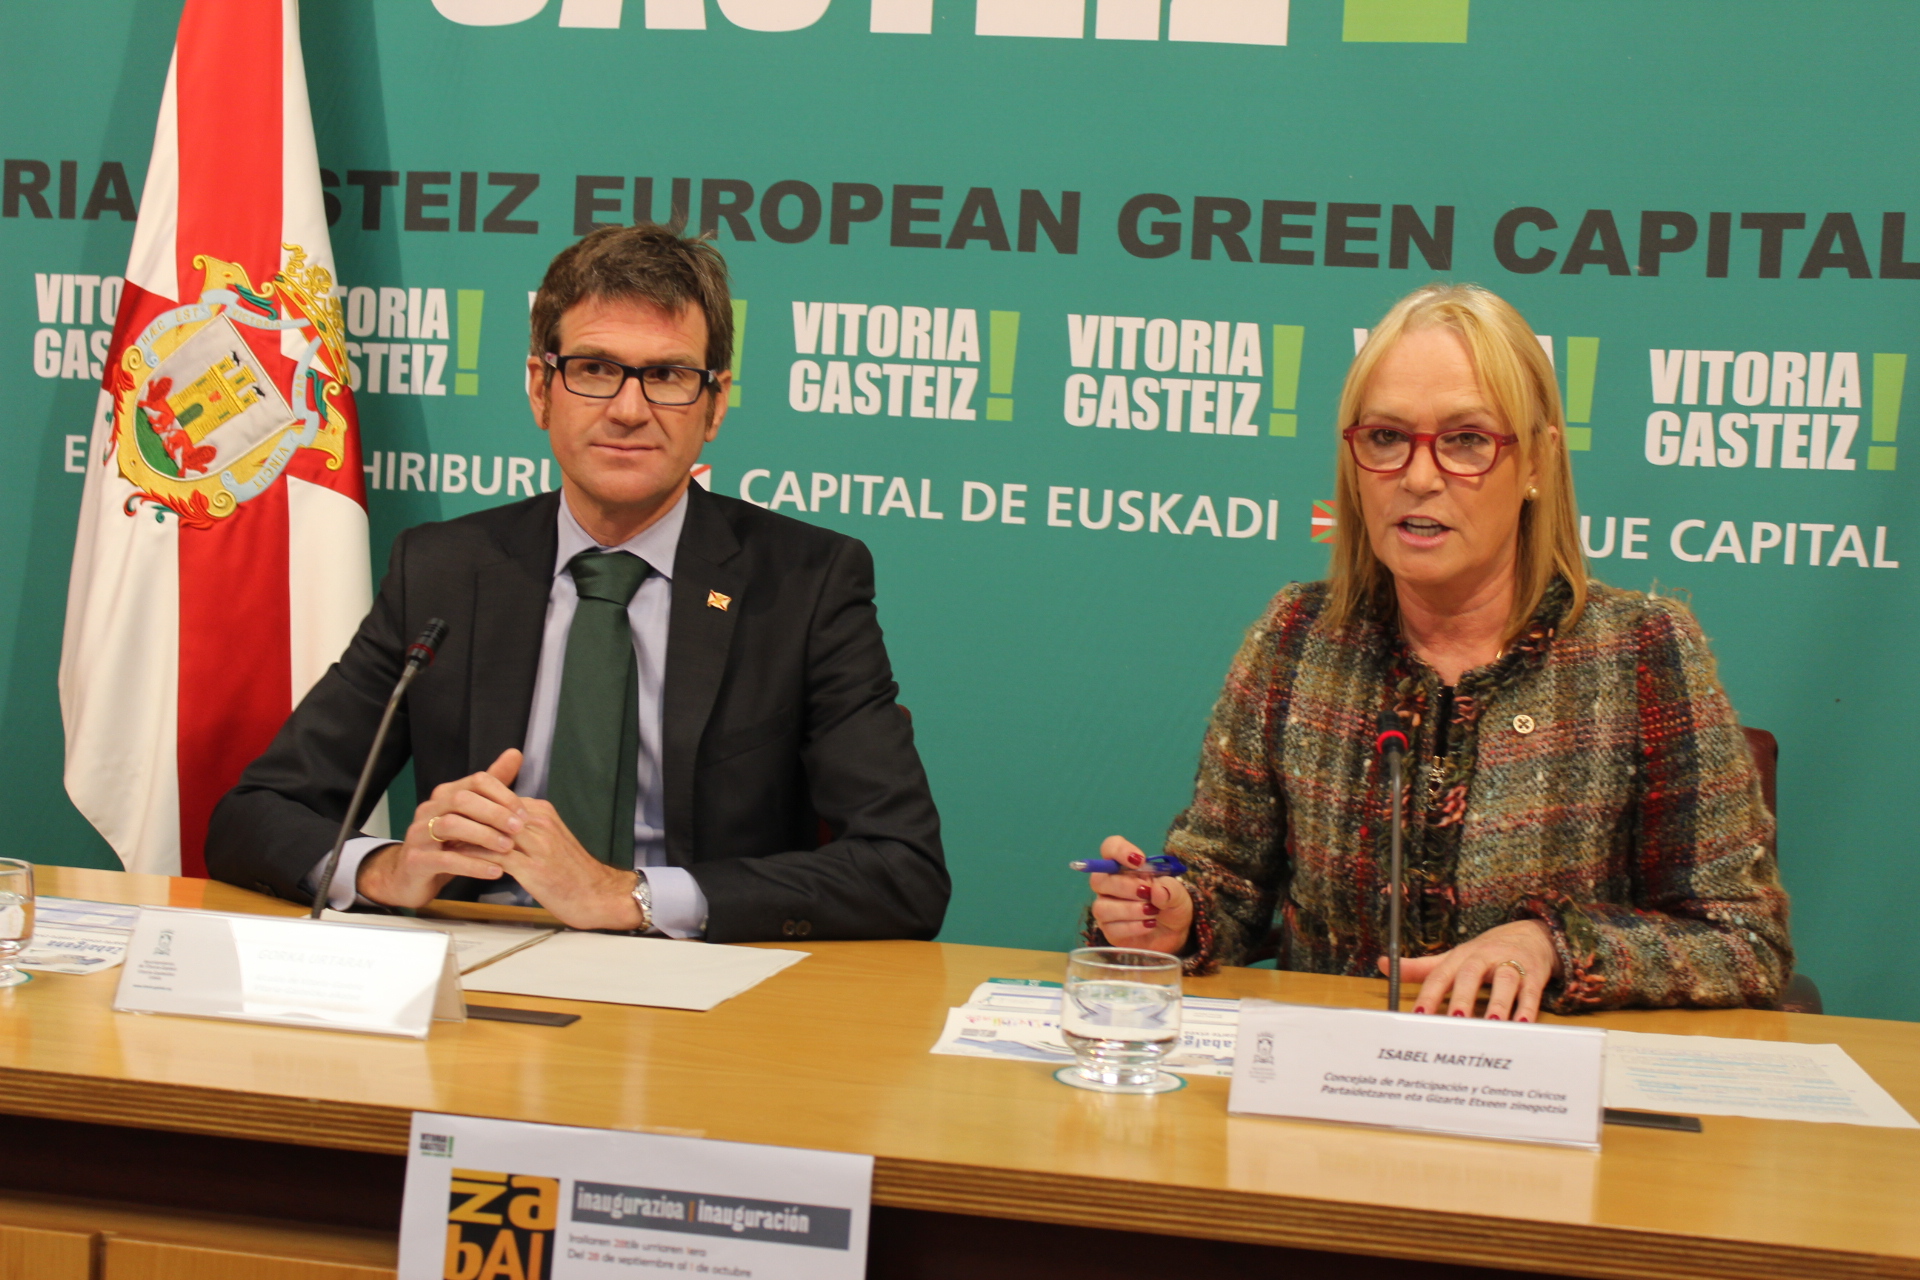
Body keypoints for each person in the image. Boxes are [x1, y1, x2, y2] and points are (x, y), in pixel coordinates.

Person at [208, 224, 948, 943]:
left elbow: (902, 869)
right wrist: (386, 870)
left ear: (715, 405)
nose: (629, 410)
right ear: (541, 388)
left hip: (694, 973)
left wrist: (627, 895)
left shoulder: (805, 584)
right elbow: (254, 815)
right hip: (477, 960)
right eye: (594, 369)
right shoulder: (442, 570)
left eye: (668, 376)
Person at [1086, 283, 1790, 1020]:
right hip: (1330, 1074)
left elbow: (1743, 941)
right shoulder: (1297, 637)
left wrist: (1552, 944)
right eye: (1386, 437)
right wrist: (1173, 914)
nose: (1419, 478)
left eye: (1466, 440)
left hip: (1540, 1081)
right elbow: (1224, 883)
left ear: (1537, 462)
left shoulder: (1642, 652)